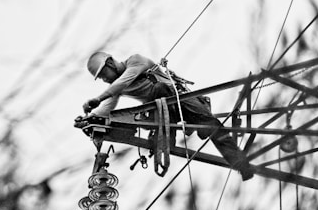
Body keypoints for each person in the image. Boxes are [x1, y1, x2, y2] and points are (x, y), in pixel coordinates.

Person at [83, 51, 254, 181]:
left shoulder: (135, 61)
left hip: (181, 100)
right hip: (162, 111)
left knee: (210, 125)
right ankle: (166, 137)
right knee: (156, 105)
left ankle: (240, 162)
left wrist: (98, 98)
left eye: (104, 75)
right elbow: (107, 107)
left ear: (111, 63)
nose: (105, 80)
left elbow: (123, 81)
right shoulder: (116, 86)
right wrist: (89, 119)